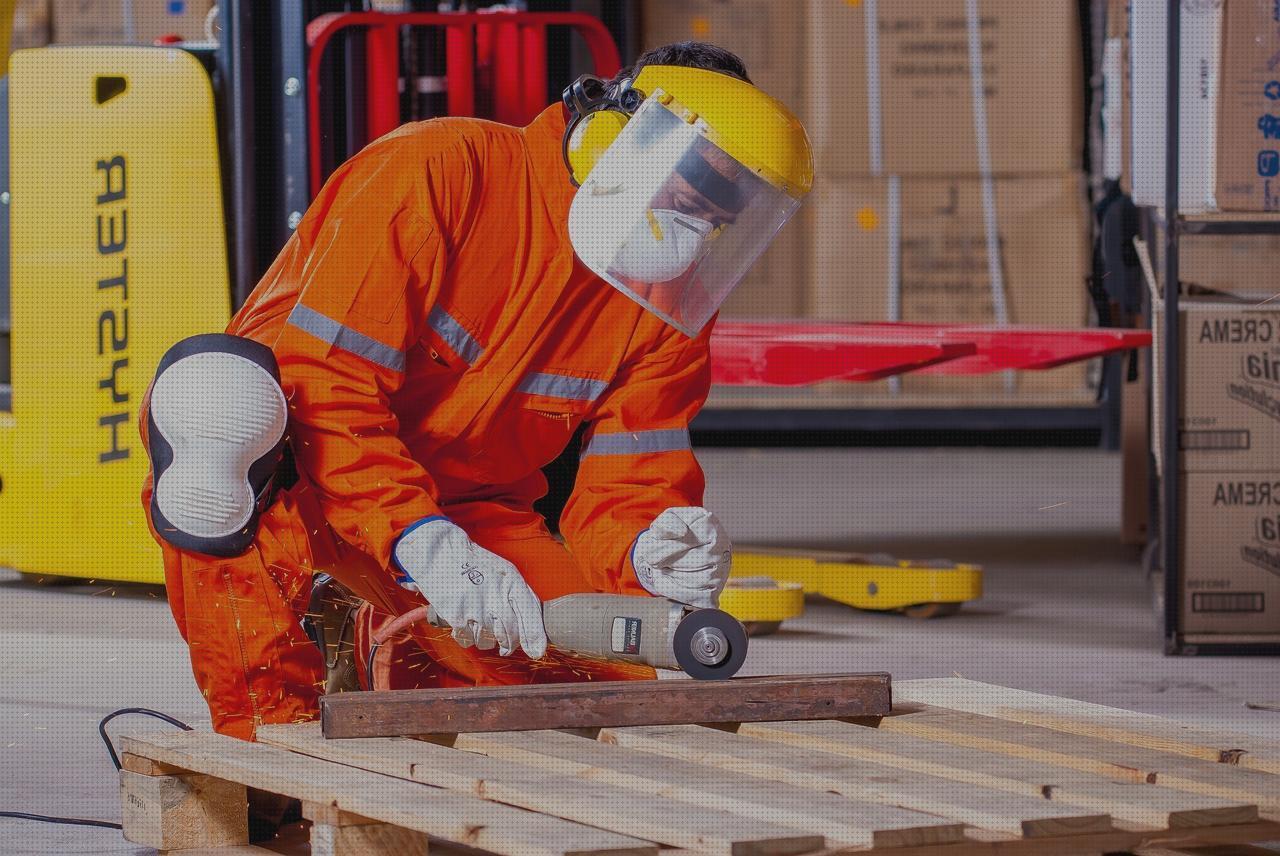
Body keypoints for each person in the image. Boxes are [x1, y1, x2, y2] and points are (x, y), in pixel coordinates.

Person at [140, 41, 813, 741]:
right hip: (294, 470)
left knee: (592, 687)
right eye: (693, 187)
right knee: (215, 405)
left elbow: (631, 479)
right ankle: (270, 741)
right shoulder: (440, 170)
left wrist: (651, 544)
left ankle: (381, 641)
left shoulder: (668, 303)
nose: (699, 223)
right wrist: (423, 544)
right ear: (620, 130)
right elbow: (327, 384)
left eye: (723, 210)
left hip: (464, 510)